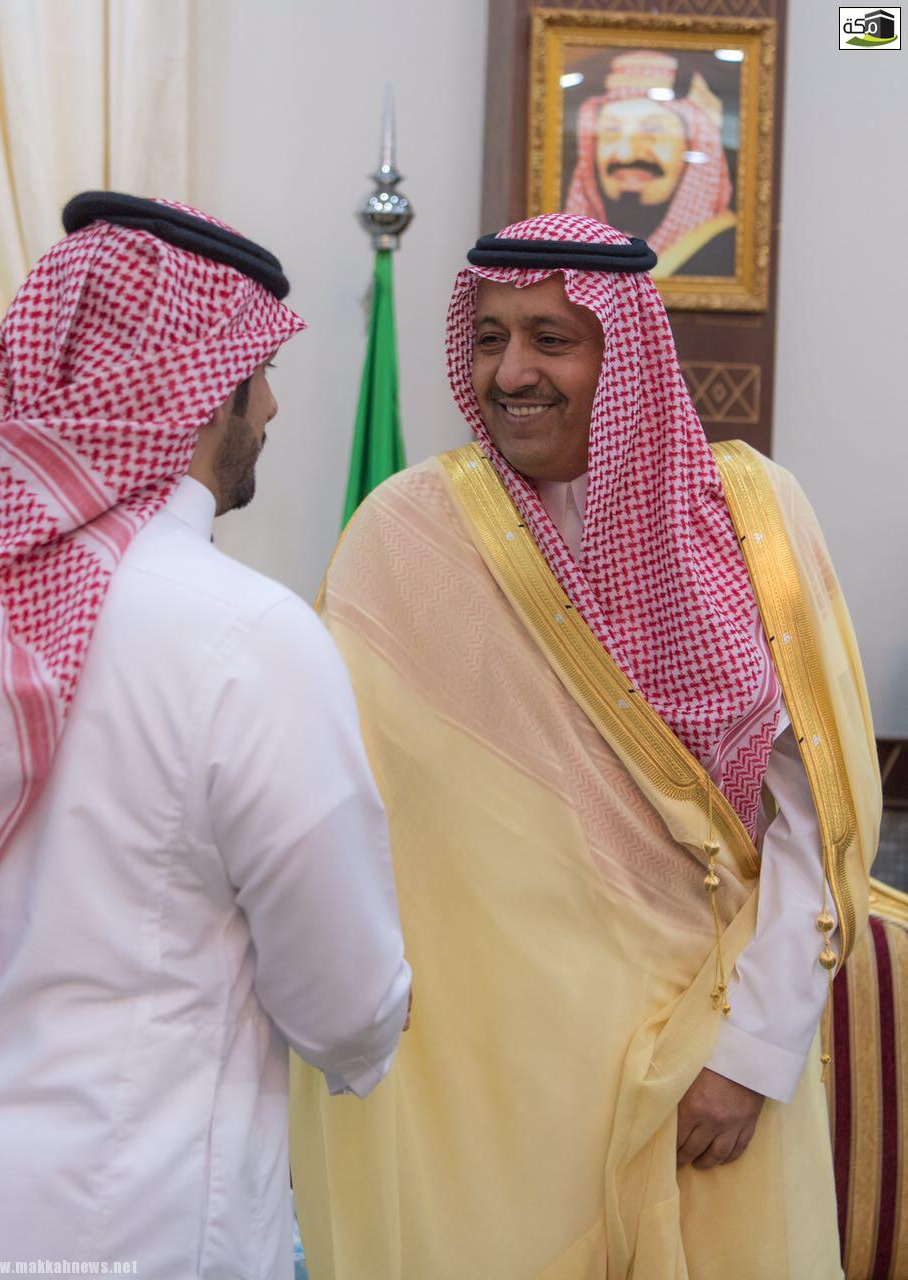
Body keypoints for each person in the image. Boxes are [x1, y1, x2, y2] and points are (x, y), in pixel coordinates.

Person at [289, 214, 881, 1279]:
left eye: (550, 339)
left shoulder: (752, 516)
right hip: (487, 1093)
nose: (511, 372)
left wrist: (754, 1050)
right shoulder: (405, 535)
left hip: (709, 1058)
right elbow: (326, 814)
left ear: (628, 354)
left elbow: (815, 813)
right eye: (488, 338)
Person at [0, 192, 411, 1279]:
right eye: (262, 372)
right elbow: (344, 1001)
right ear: (203, 387)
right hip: (130, 1223)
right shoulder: (245, 634)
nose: (273, 406)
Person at [565, 50, 736, 277]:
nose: (626, 154)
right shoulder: (570, 247)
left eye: (654, 130)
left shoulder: (725, 246)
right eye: (611, 131)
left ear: (694, 143)